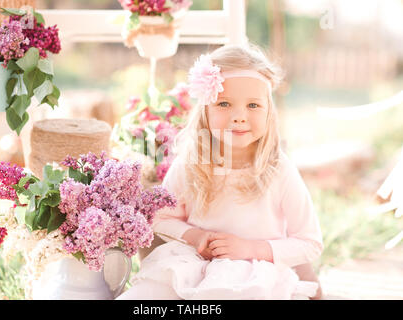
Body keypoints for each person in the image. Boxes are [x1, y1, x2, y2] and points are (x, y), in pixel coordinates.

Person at [116, 43, 324, 300]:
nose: (239, 116)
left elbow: (309, 243)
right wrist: (195, 235)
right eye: (224, 103)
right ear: (206, 110)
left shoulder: (278, 169)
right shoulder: (190, 164)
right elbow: (159, 217)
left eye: (253, 105)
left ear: (269, 111)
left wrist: (250, 248)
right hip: (193, 265)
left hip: (256, 271)